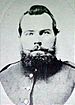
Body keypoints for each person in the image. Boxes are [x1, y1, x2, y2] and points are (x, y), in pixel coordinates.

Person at [0, 5, 75, 105]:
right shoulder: (4, 76)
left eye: (45, 33)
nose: (37, 41)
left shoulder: (72, 76)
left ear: (55, 35)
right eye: (30, 34)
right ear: (20, 36)